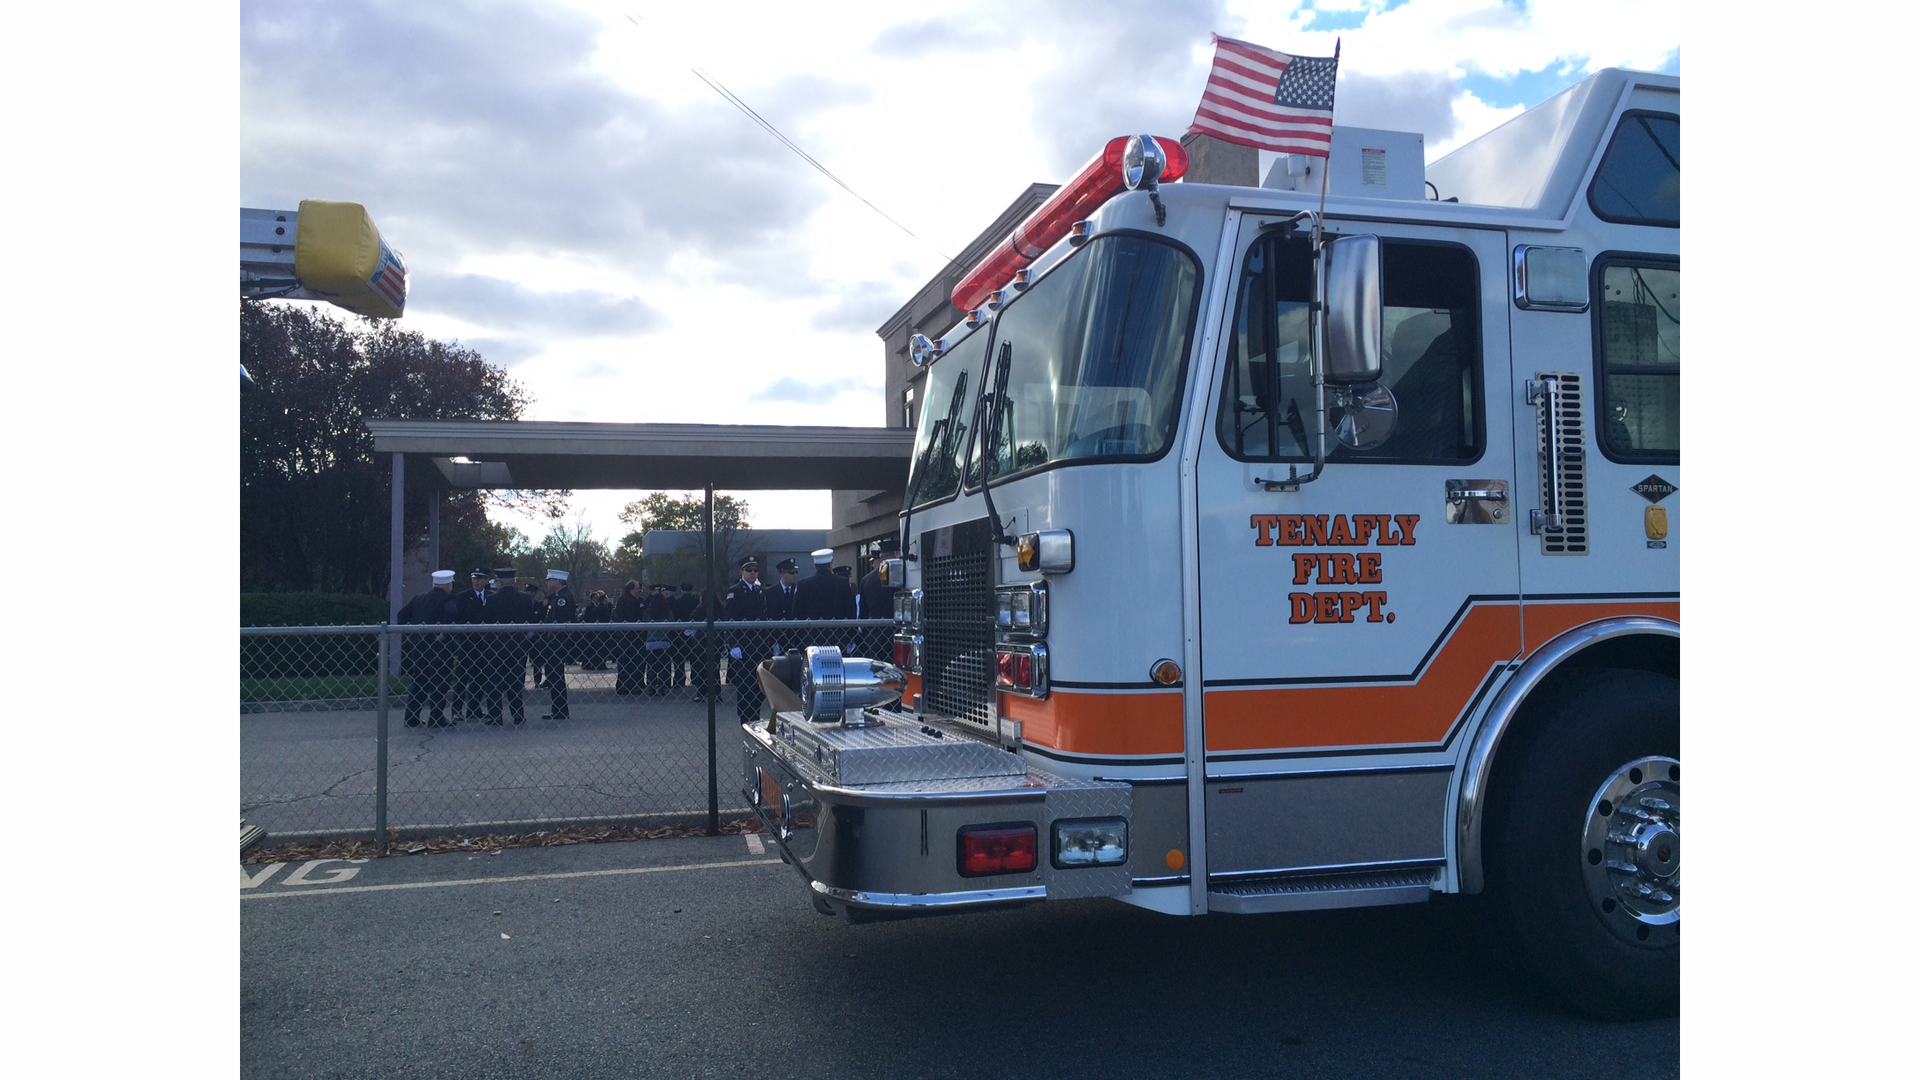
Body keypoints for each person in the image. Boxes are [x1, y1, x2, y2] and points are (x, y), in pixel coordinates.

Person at [398, 570, 463, 728]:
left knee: (419, 682)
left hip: (420, 648)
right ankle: (436, 717)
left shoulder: (419, 598)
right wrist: (443, 632)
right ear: (448, 585)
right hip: (441, 648)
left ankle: (411, 717)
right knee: (440, 683)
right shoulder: (449, 598)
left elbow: (402, 616)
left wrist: (413, 636)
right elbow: (451, 614)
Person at [482, 566, 535, 725]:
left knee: (494, 682)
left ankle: (495, 715)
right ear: (514, 581)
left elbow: (485, 622)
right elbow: (530, 623)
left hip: (496, 647)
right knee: (516, 683)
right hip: (518, 647)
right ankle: (518, 714)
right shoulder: (525, 599)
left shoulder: (491, 600)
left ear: (499, 583)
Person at [723, 558, 767, 722]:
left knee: (758, 685)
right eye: (749, 570)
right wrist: (733, 644)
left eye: (755, 570)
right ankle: (745, 718)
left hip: (759, 645)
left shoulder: (760, 591)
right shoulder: (735, 591)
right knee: (745, 684)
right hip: (743, 645)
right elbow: (730, 618)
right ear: (742, 572)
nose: (753, 573)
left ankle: (755, 716)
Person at [794, 547, 855, 650]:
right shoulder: (843, 583)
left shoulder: (803, 584)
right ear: (831, 564)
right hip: (837, 637)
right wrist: (849, 636)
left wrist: (800, 637)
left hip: (810, 637)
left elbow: (796, 613)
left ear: (815, 565)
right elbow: (851, 611)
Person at [453, 568, 491, 721]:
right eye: (474, 578)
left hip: (484, 644)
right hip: (467, 643)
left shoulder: (490, 596)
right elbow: (458, 618)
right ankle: (456, 710)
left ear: (486, 580)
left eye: (480, 578)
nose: (476, 581)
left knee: (480, 678)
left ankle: (474, 709)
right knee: (462, 678)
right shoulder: (463, 597)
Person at [856, 537, 900, 659]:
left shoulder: (866, 580)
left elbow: (863, 615)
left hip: (876, 638)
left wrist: (869, 636)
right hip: (900, 635)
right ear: (896, 554)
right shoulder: (904, 576)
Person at [540, 569, 575, 720]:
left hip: (557, 643)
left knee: (556, 676)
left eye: (550, 580)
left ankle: (560, 710)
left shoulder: (564, 598)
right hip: (552, 643)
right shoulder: (557, 597)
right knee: (553, 676)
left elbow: (558, 621)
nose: (547, 583)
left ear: (558, 581)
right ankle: (557, 709)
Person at [613, 580, 644, 696]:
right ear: (631, 589)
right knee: (631, 662)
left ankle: (621, 685)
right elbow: (634, 617)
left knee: (623, 661)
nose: (639, 591)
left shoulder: (621, 599)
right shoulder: (632, 602)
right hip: (632, 636)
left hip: (622, 635)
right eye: (637, 588)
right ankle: (630, 685)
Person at [644, 585, 675, 697]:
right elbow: (672, 624)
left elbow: (644, 624)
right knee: (663, 666)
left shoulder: (648, 612)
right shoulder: (667, 612)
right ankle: (662, 687)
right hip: (664, 641)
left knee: (651, 666)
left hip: (651, 642)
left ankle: (651, 687)